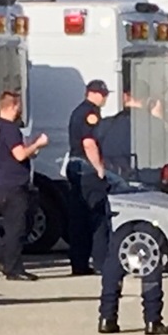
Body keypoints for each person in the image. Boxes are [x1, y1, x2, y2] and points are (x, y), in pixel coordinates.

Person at [96, 82, 168, 335]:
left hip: (117, 195)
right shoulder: (156, 126)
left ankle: (107, 317)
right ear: (148, 99)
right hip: (148, 196)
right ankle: (152, 319)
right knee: (149, 257)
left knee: (114, 257)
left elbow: (96, 153)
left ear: (125, 96)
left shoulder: (106, 126)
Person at [0, 91, 48, 281]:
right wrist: (38, 143)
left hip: (5, 182)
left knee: (17, 224)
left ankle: (1, 255)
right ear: (13, 106)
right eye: (19, 105)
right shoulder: (10, 128)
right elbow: (19, 155)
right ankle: (13, 268)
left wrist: (33, 148)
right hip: (13, 184)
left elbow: (19, 152)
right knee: (17, 227)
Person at [65, 79, 108, 275]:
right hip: (86, 168)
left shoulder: (77, 111)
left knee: (78, 218)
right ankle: (100, 262)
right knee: (97, 216)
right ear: (96, 94)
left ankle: (79, 263)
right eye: (104, 94)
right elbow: (89, 143)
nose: (106, 98)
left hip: (74, 166)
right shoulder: (91, 113)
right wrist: (99, 168)